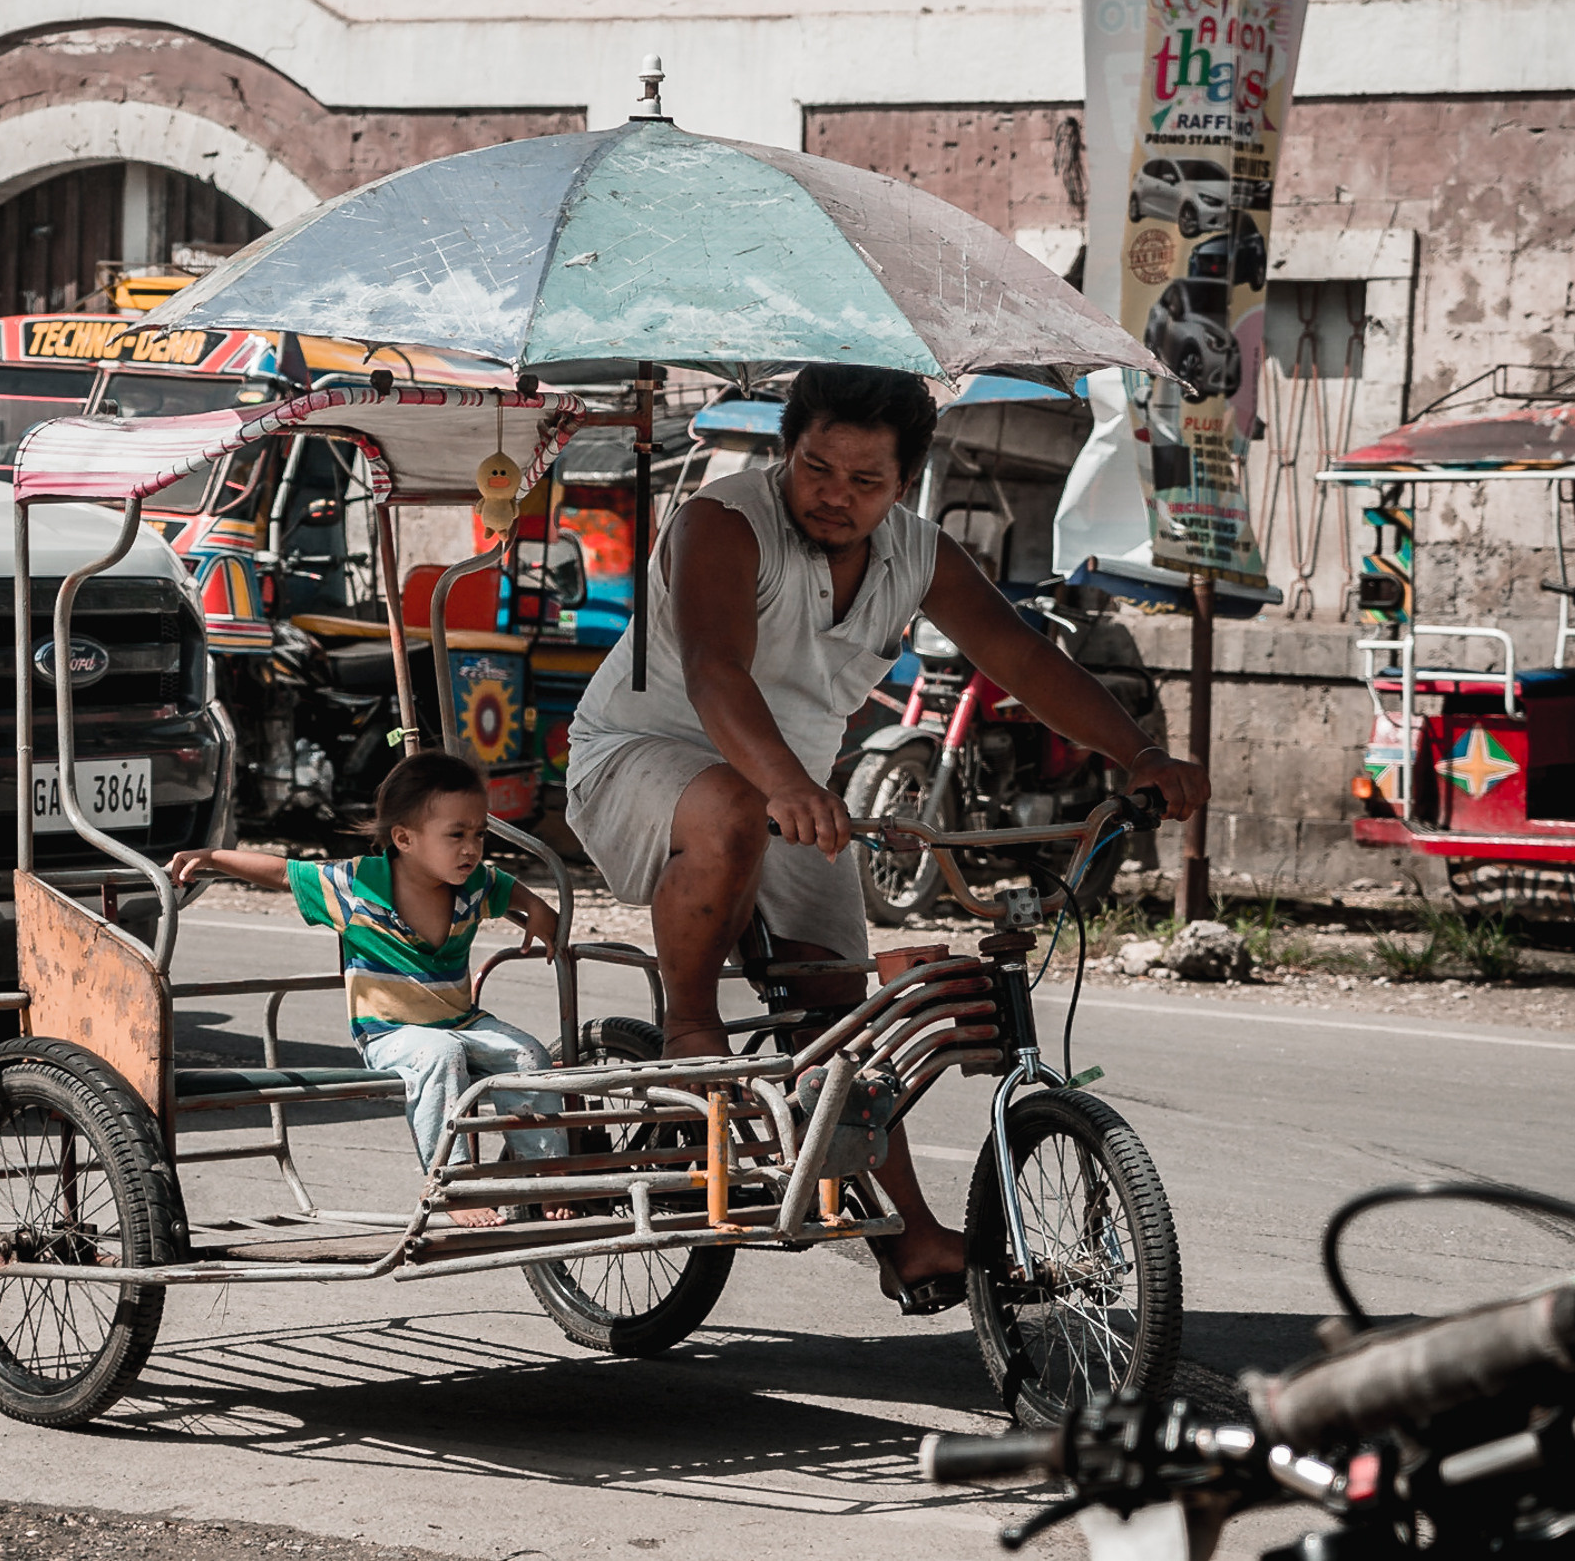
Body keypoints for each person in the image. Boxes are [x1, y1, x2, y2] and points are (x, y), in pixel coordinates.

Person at [563, 363, 1211, 1312]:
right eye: (816, 469)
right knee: (734, 808)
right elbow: (712, 669)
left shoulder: (918, 553)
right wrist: (788, 782)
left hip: (785, 792)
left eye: (866, 481)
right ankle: (689, 1023)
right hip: (641, 758)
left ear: (906, 481)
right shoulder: (722, 522)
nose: (835, 496)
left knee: (842, 1012)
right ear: (786, 451)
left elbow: (1021, 656)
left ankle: (907, 1236)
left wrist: (1139, 753)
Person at [169, 750, 569, 1229]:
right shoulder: (356, 885)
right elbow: (282, 872)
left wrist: (538, 909)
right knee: (440, 1055)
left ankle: (547, 1172)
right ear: (404, 838)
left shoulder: (475, 884)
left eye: (479, 834)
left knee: (527, 1054)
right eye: (456, 835)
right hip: (390, 1033)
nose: (472, 848)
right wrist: (212, 858)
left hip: (462, 1022)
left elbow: (509, 887)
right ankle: (451, 1183)